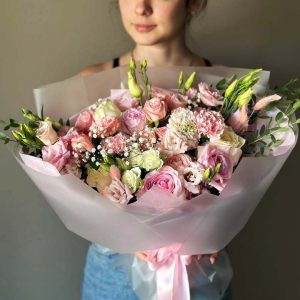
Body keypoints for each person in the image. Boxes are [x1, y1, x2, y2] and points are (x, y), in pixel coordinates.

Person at [80, 1, 233, 299]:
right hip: (113, 274)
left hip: (201, 273)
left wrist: (217, 229)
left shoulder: (231, 86)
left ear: (194, 2)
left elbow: (244, 182)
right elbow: (80, 179)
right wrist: (121, 229)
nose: (141, 7)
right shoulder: (90, 81)